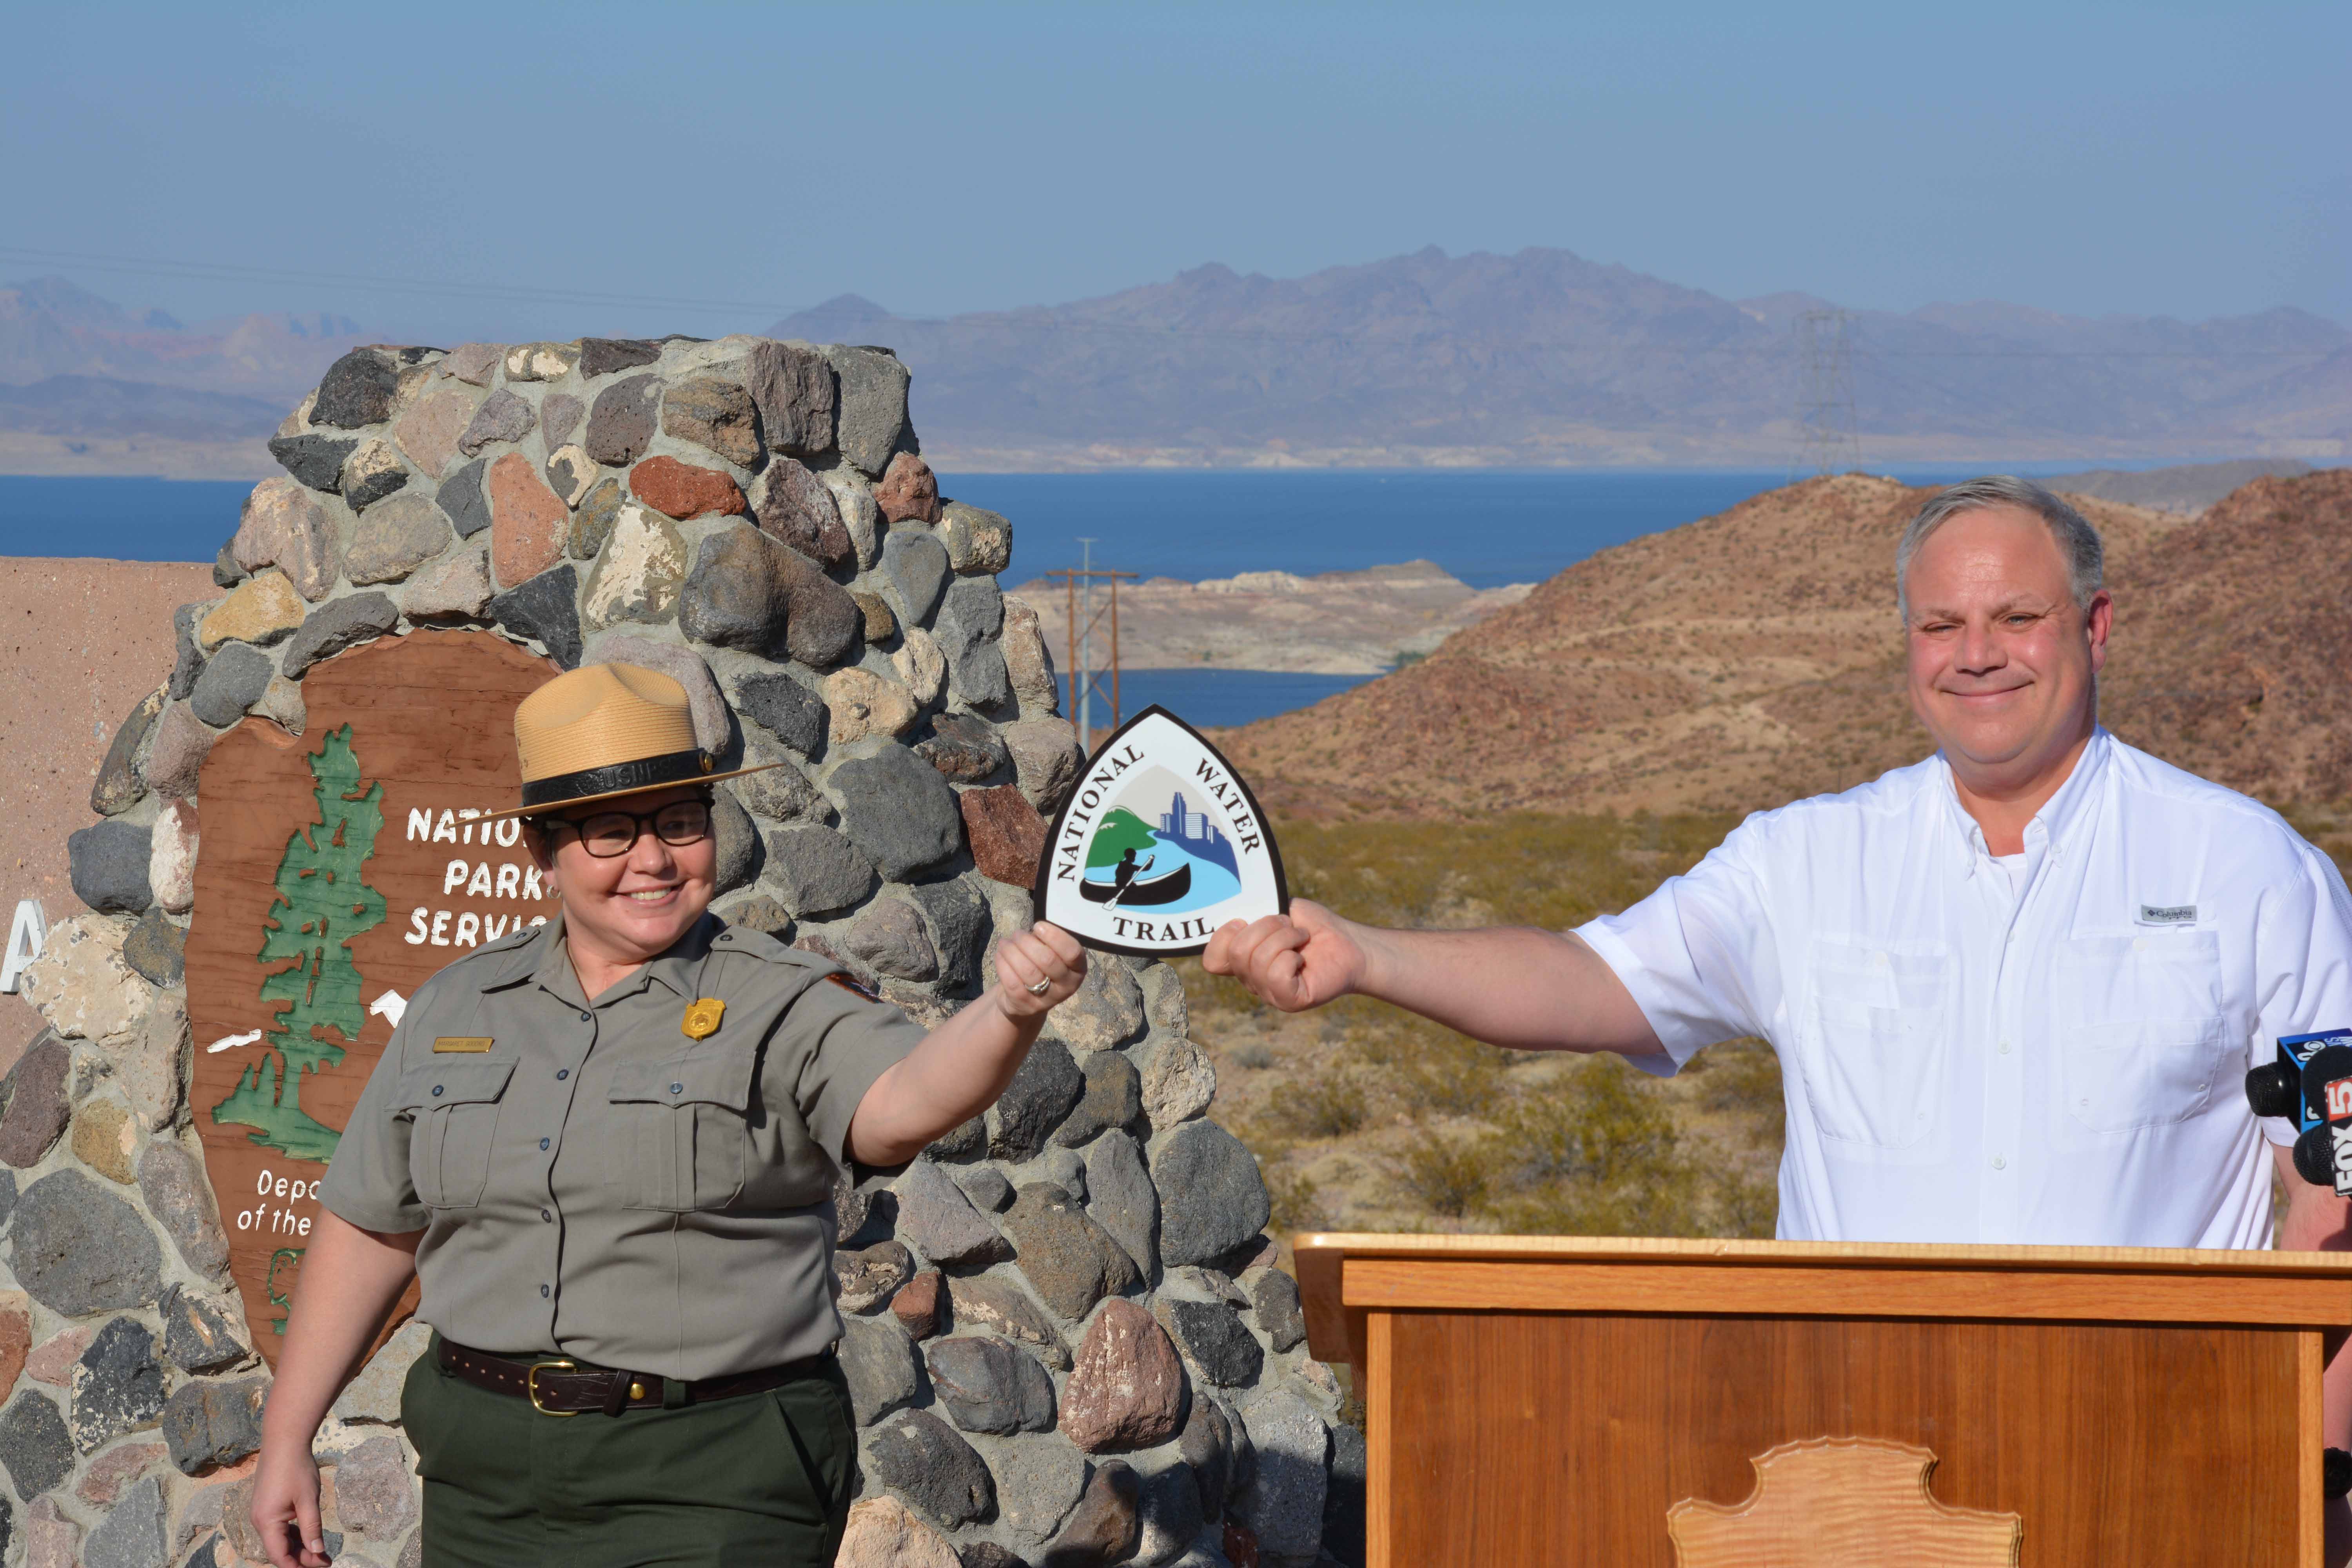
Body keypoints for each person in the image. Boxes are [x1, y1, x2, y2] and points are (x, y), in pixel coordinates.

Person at [1205, 477, 2352, 1435]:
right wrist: (1368, 956)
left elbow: (2334, 1190)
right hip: (1851, 1466)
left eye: (2018, 619)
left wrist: (2324, 1482)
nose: (1977, 656)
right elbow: (1595, 980)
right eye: (1941, 626)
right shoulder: (1805, 860)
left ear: (2096, 627)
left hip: (2165, 1456)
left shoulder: (2249, 869)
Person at [250, 662, 1087, 1568]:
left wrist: (1010, 1010)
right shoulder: (457, 1005)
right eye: (612, 832)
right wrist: (287, 1435)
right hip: (483, 1478)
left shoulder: (780, 998)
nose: (653, 859)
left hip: (716, 1477)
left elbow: (900, 1106)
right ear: (544, 849)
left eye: (680, 822)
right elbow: (373, 1222)